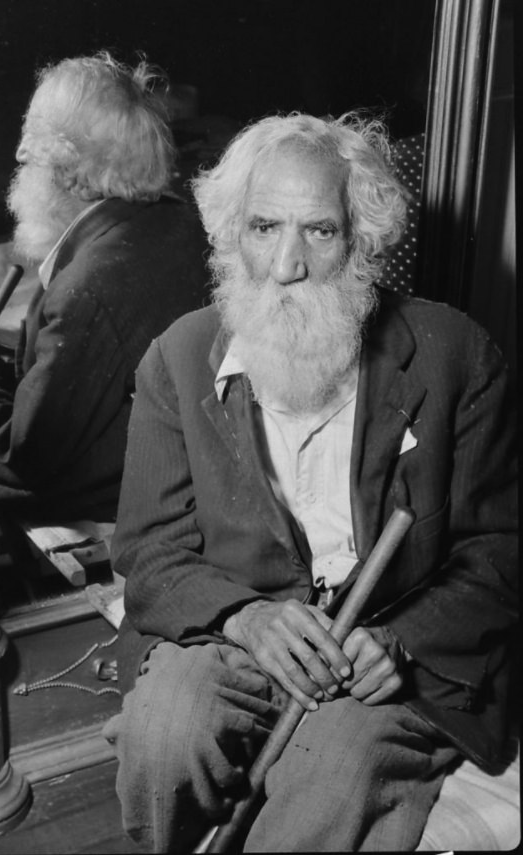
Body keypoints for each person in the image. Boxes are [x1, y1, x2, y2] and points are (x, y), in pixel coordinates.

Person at [103, 112, 518, 851]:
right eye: (264, 228)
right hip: (239, 630)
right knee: (165, 729)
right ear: (234, 234)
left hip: (385, 650)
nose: (287, 262)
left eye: (319, 231)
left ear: (361, 239)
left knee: (331, 772)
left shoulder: (456, 355)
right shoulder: (178, 357)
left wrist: (400, 642)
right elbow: (150, 553)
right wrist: (245, 619)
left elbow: (501, 551)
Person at [0, 52, 209, 523]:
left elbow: (24, 454)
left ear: (74, 174)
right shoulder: (179, 221)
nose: (20, 157)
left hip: (137, 500)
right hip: (183, 473)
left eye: (34, 146)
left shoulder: (87, 287)